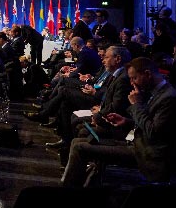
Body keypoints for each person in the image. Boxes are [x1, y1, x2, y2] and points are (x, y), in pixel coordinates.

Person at [61, 57, 176, 186]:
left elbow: (153, 132)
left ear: (148, 74)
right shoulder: (154, 92)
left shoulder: (168, 98)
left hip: (146, 154)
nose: (132, 83)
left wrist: (137, 105)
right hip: (135, 142)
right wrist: (126, 121)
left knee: (79, 147)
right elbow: (149, 122)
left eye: (134, 78)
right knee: (78, 141)